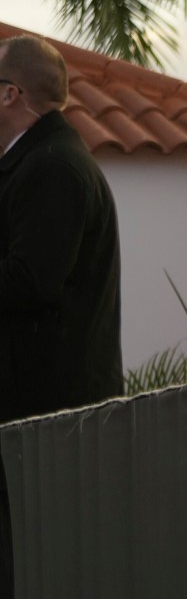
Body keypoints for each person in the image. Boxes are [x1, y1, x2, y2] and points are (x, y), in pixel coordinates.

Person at [0, 33, 123, 424]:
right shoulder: (40, 160)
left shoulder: (52, 168)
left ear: (9, 95)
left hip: (51, 422)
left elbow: (30, 281)